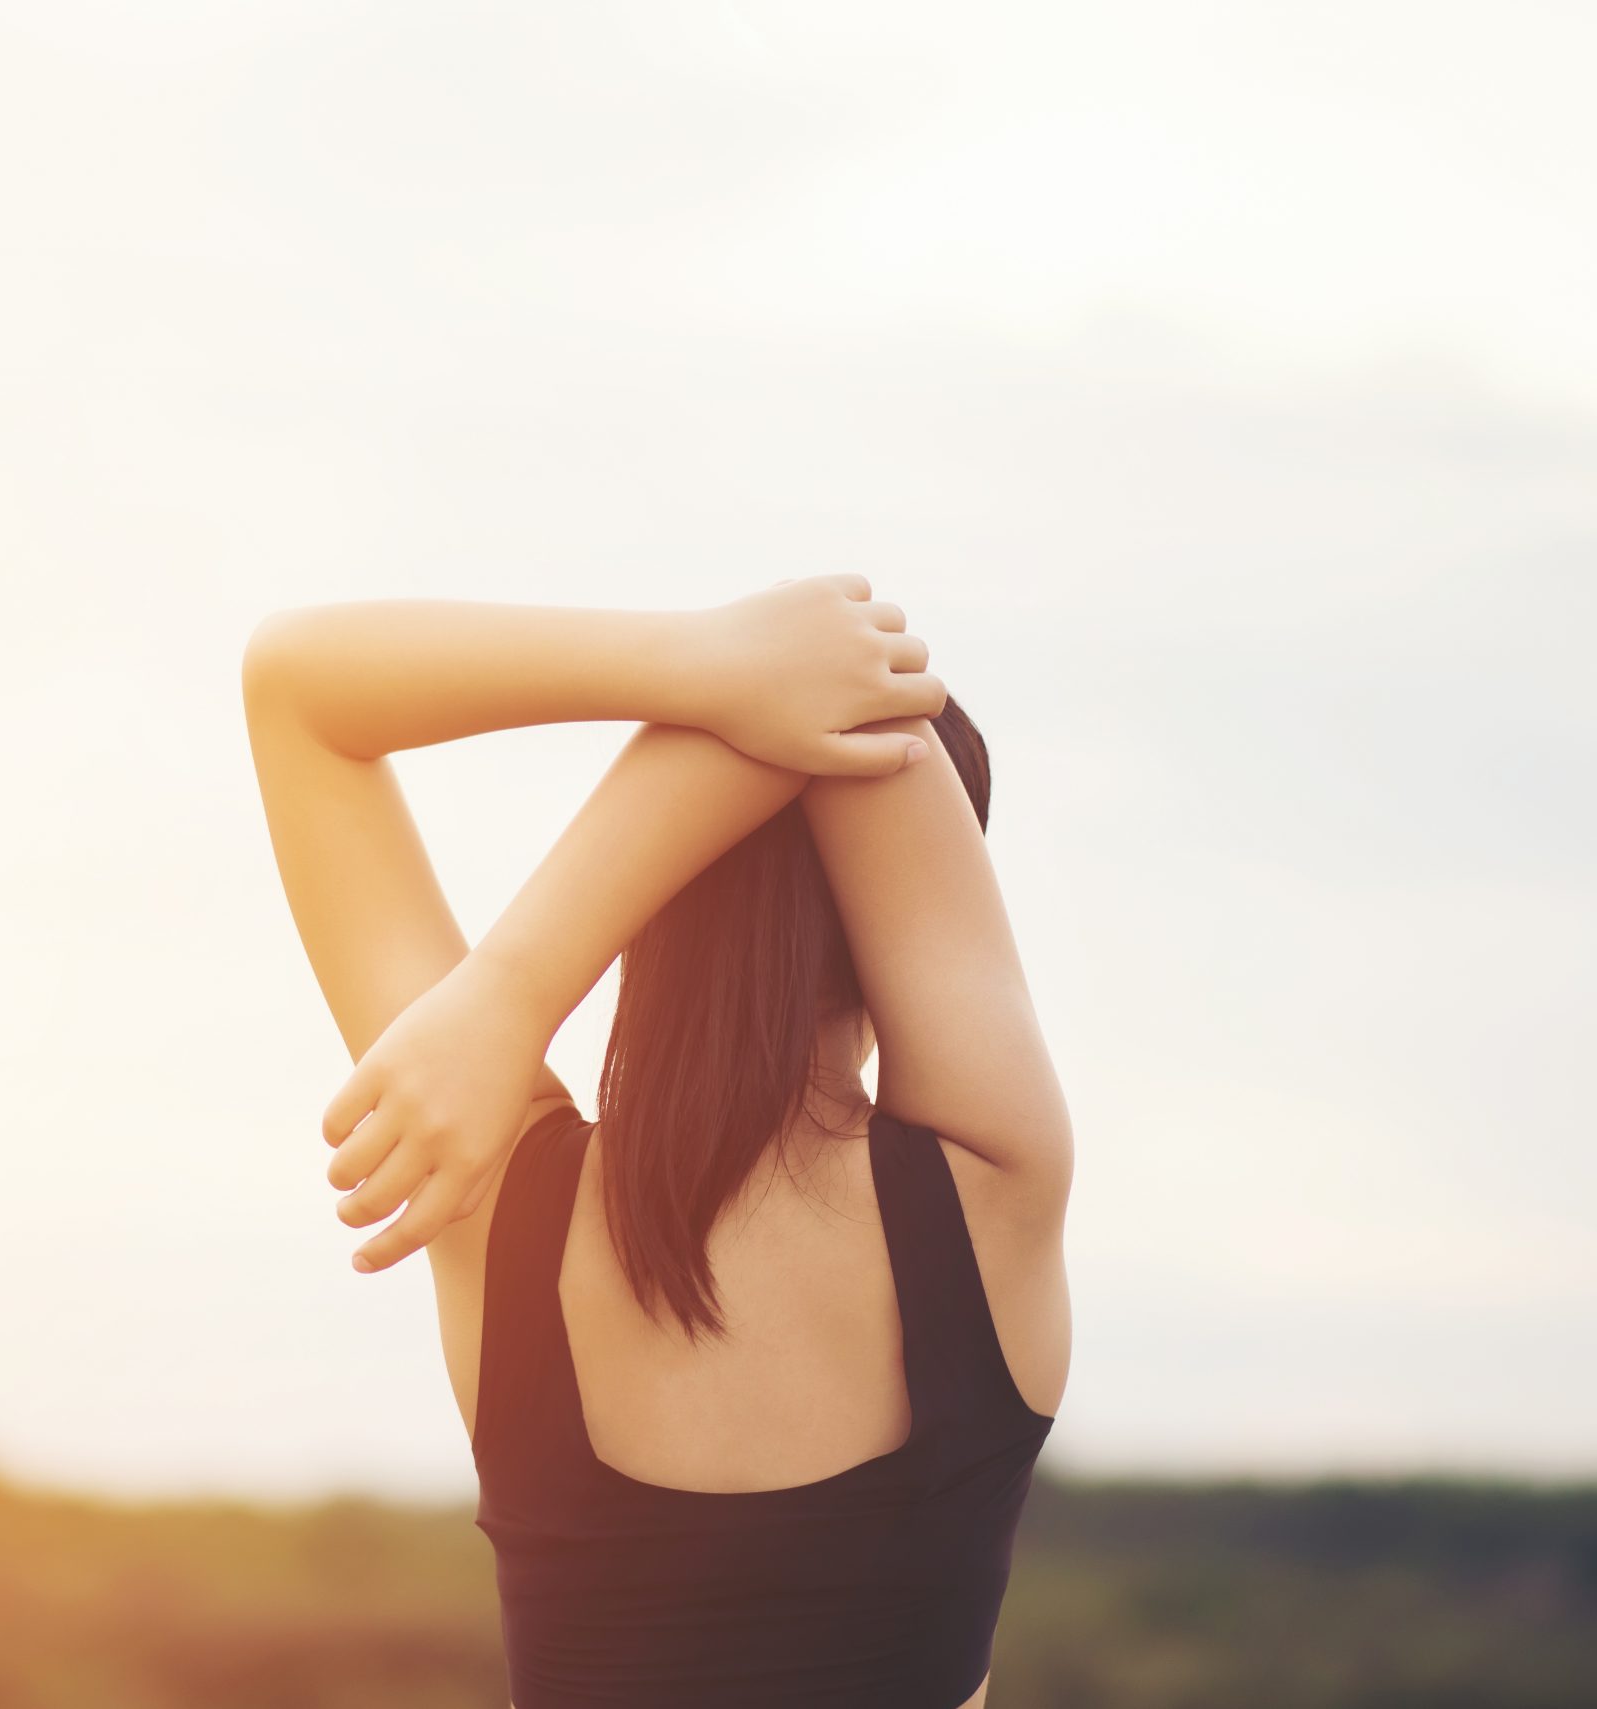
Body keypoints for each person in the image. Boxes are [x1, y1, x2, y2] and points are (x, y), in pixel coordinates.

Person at [241, 577, 1072, 1708]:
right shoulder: (992, 1183)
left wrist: (512, 982)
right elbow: (864, 696)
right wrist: (505, 988)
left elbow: (295, 684)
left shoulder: (496, 1202)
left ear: (653, 884)